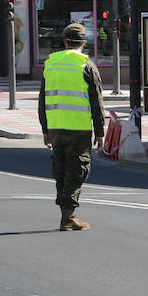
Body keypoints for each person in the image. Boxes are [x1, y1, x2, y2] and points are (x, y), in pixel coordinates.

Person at [39, 23, 104, 231]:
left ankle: (67, 215)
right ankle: (68, 218)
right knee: (77, 172)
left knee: (61, 172)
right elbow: (96, 101)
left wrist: (45, 130)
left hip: (56, 128)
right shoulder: (86, 65)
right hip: (79, 129)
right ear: (84, 43)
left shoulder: (51, 63)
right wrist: (100, 131)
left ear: (65, 41)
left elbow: (42, 100)